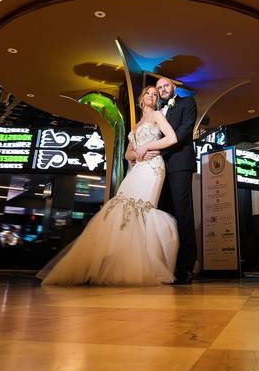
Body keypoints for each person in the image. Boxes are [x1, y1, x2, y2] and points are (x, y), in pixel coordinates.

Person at [38, 86, 179, 285]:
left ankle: (145, 265)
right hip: (138, 168)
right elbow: (127, 154)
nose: (151, 96)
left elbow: (172, 138)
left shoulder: (157, 115)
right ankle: (119, 262)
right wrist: (138, 152)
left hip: (154, 168)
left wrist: (148, 147)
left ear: (157, 101)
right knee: (120, 205)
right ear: (142, 98)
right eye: (148, 93)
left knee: (143, 210)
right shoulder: (137, 125)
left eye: (155, 95)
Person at [145, 77, 199, 284]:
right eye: (159, 88)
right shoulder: (157, 111)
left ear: (173, 87)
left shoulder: (187, 102)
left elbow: (184, 132)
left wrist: (155, 148)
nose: (162, 89)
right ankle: (165, 264)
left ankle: (185, 268)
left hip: (178, 164)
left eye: (165, 85)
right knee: (162, 214)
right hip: (157, 167)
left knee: (182, 212)